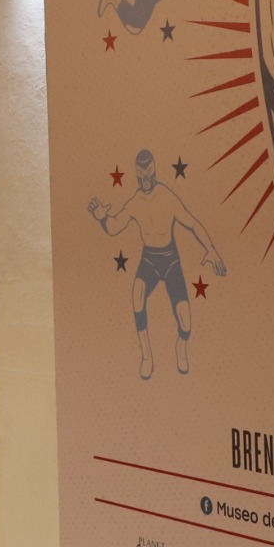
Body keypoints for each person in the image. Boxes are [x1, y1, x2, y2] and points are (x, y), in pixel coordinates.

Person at [88, 149, 227, 378]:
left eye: (149, 174)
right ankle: (146, 356)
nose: (145, 180)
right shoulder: (135, 202)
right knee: (137, 293)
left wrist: (210, 249)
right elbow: (114, 227)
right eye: (140, 175)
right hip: (149, 259)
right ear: (136, 175)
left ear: (154, 171)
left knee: (186, 322)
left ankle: (181, 347)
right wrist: (102, 218)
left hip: (171, 260)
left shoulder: (167, 196)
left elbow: (192, 223)